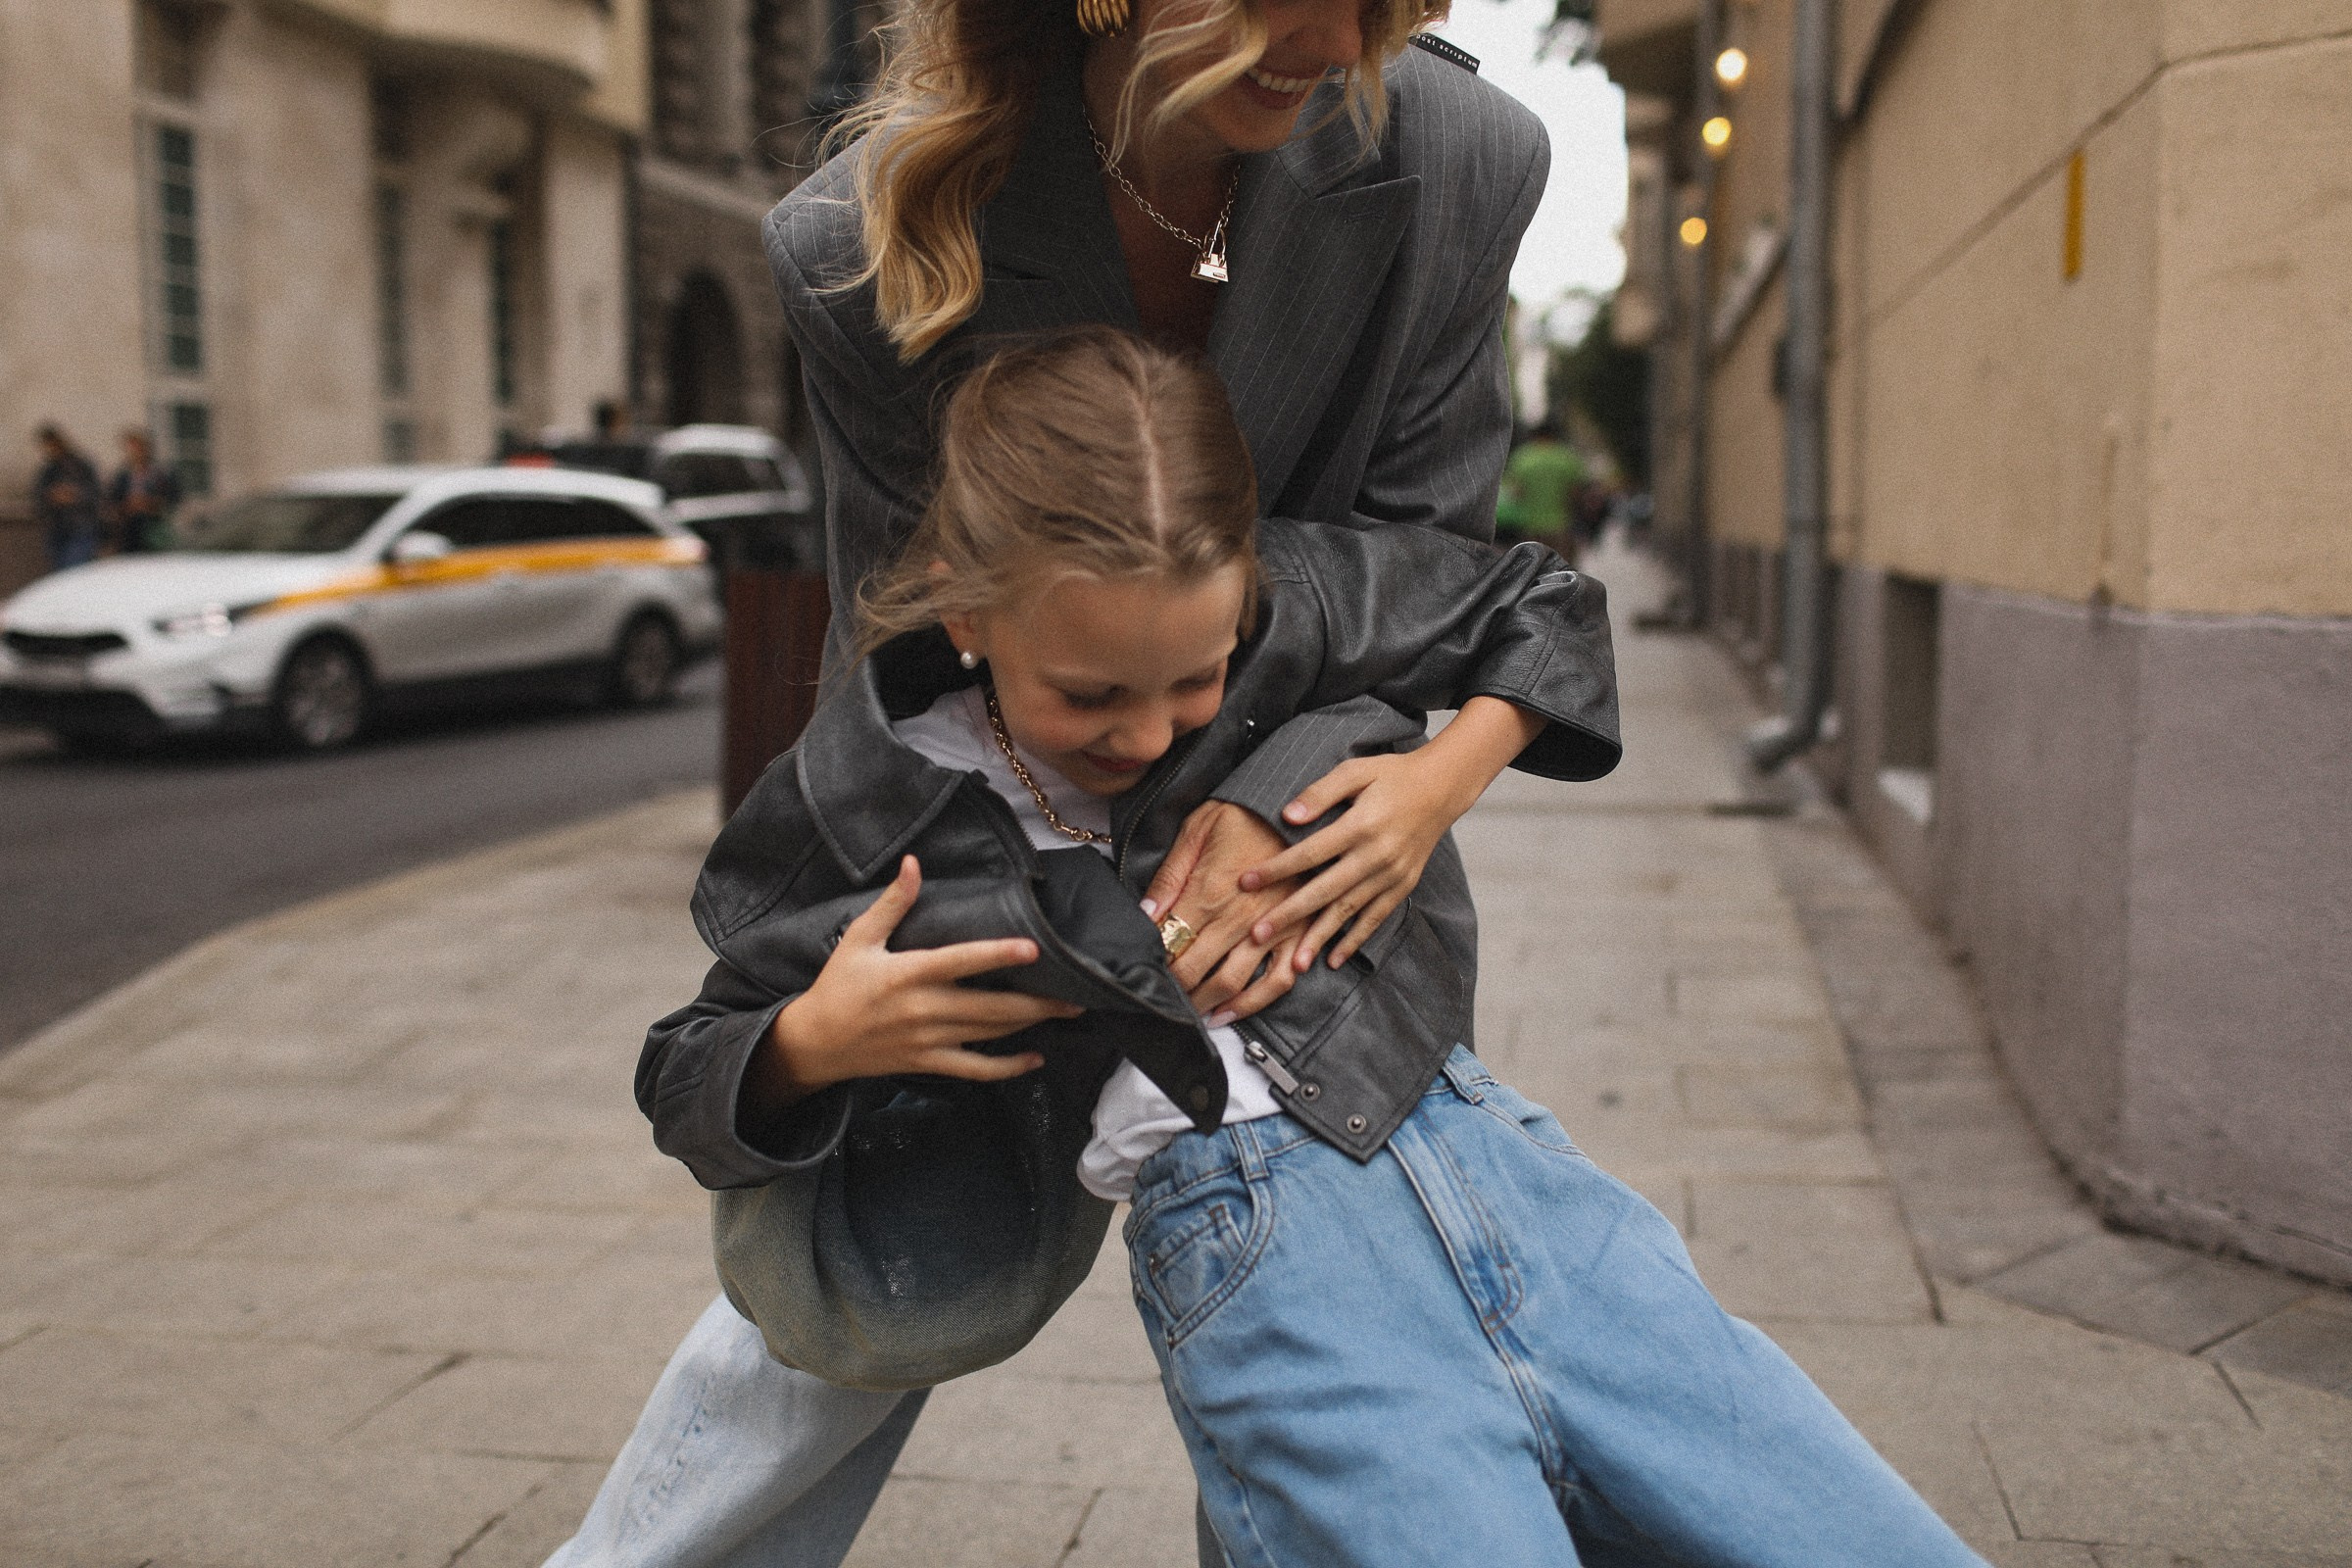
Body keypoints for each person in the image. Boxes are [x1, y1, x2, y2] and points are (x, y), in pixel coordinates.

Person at [650, 328, 1986, 1565]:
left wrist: (1436, 778)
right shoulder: (857, 800)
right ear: (962, 612)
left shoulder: (1298, 598)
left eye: (1200, 675)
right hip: (1257, 1236)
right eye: (1089, 695)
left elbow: (1546, 607)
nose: (1152, 732)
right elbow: (689, 1065)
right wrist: (814, 1043)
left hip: (1496, 1158)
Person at [551, 0, 1581, 1561]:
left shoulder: (1462, 158)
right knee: (832, 1306)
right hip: (999, 811)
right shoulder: (864, 232)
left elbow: (1441, 554)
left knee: (1336, 1316)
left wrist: (1325, 788)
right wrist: (813, 1026)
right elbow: (909, 646)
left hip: (1303, 822)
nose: (1332, 34)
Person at [1499, 417, 1584, 559]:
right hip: (1560, 526)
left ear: (1534, 436)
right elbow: (1575, 494)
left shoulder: (1522, 458)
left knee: (1533, 570)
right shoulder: (1567, 458)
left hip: (1530, 527)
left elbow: (1516, 493)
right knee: (1562, 570)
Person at [30, 424, 103, 571]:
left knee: (75, 571)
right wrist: (52, 497)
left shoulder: (81, 467)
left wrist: (74, 495)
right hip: (57, 530)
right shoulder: (48, 471)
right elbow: (38, 499)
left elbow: (96, 495)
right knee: (61, 573)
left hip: (81, 529)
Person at [106, 427, 180, 554]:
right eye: (131, 449)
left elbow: (174, 498)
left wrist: (151, 504)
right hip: (130, 528)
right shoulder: (122, 475)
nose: (135, 453)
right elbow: (113, 501)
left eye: (138, 448)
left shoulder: (160, 473)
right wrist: (128, 506)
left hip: (154, 525)